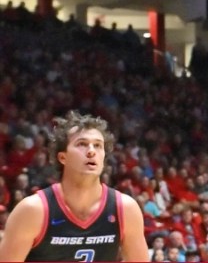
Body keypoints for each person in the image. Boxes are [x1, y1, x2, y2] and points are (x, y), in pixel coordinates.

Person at [0, 111, 149, 261]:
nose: (91, 151)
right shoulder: (32, 210)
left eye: (98, 145)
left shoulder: (125, 209)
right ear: (63, 157)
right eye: (82, 144)